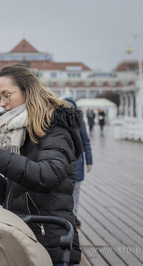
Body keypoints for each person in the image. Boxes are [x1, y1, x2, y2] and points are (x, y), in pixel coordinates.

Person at [0, 64, 83, 266]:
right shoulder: (19, 131)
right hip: (25, 235)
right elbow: (23, 194)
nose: (2, 103)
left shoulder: (54, 128)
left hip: (48, 238)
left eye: (7, 95)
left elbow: (47, 176)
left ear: (27, 90)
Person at [65, 97, 93, 228]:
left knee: (75, 191)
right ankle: (66, 215)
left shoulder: (80, 122)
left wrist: (89, 161)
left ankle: (73, 216)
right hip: (62, 163)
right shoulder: (58, 121)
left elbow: (86, 141)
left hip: (78, 162)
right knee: (65, 192)